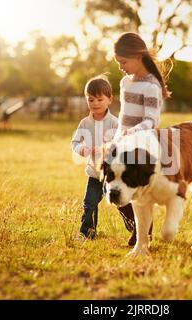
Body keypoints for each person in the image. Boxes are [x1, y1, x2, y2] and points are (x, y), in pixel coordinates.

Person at [113, 32, 173, 246]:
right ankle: (138, 228)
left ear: (138, 56)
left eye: (123, 62)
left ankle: (142, 232)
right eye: (118, 62)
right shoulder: (125, 82)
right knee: (110, 185)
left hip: (140, 145)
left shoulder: (151, 86)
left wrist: (134, 132)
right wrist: (118, 137)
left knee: (131, 188)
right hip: (122, 141)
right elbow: (123, 116)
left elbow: (151, 121)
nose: (121, 67)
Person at [71, 75, 118, 239]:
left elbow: (121, 143)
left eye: (99, 99)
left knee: (121, 203)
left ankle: (134, 227)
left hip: (112, 174)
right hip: (93, 173)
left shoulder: (114, 123)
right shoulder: (85, 123)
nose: (95, 103)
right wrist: (83, 149)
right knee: (89, 203)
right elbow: (75, 142)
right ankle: (87, 233)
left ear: (109, 99)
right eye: (91, 100)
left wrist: (108, 148)